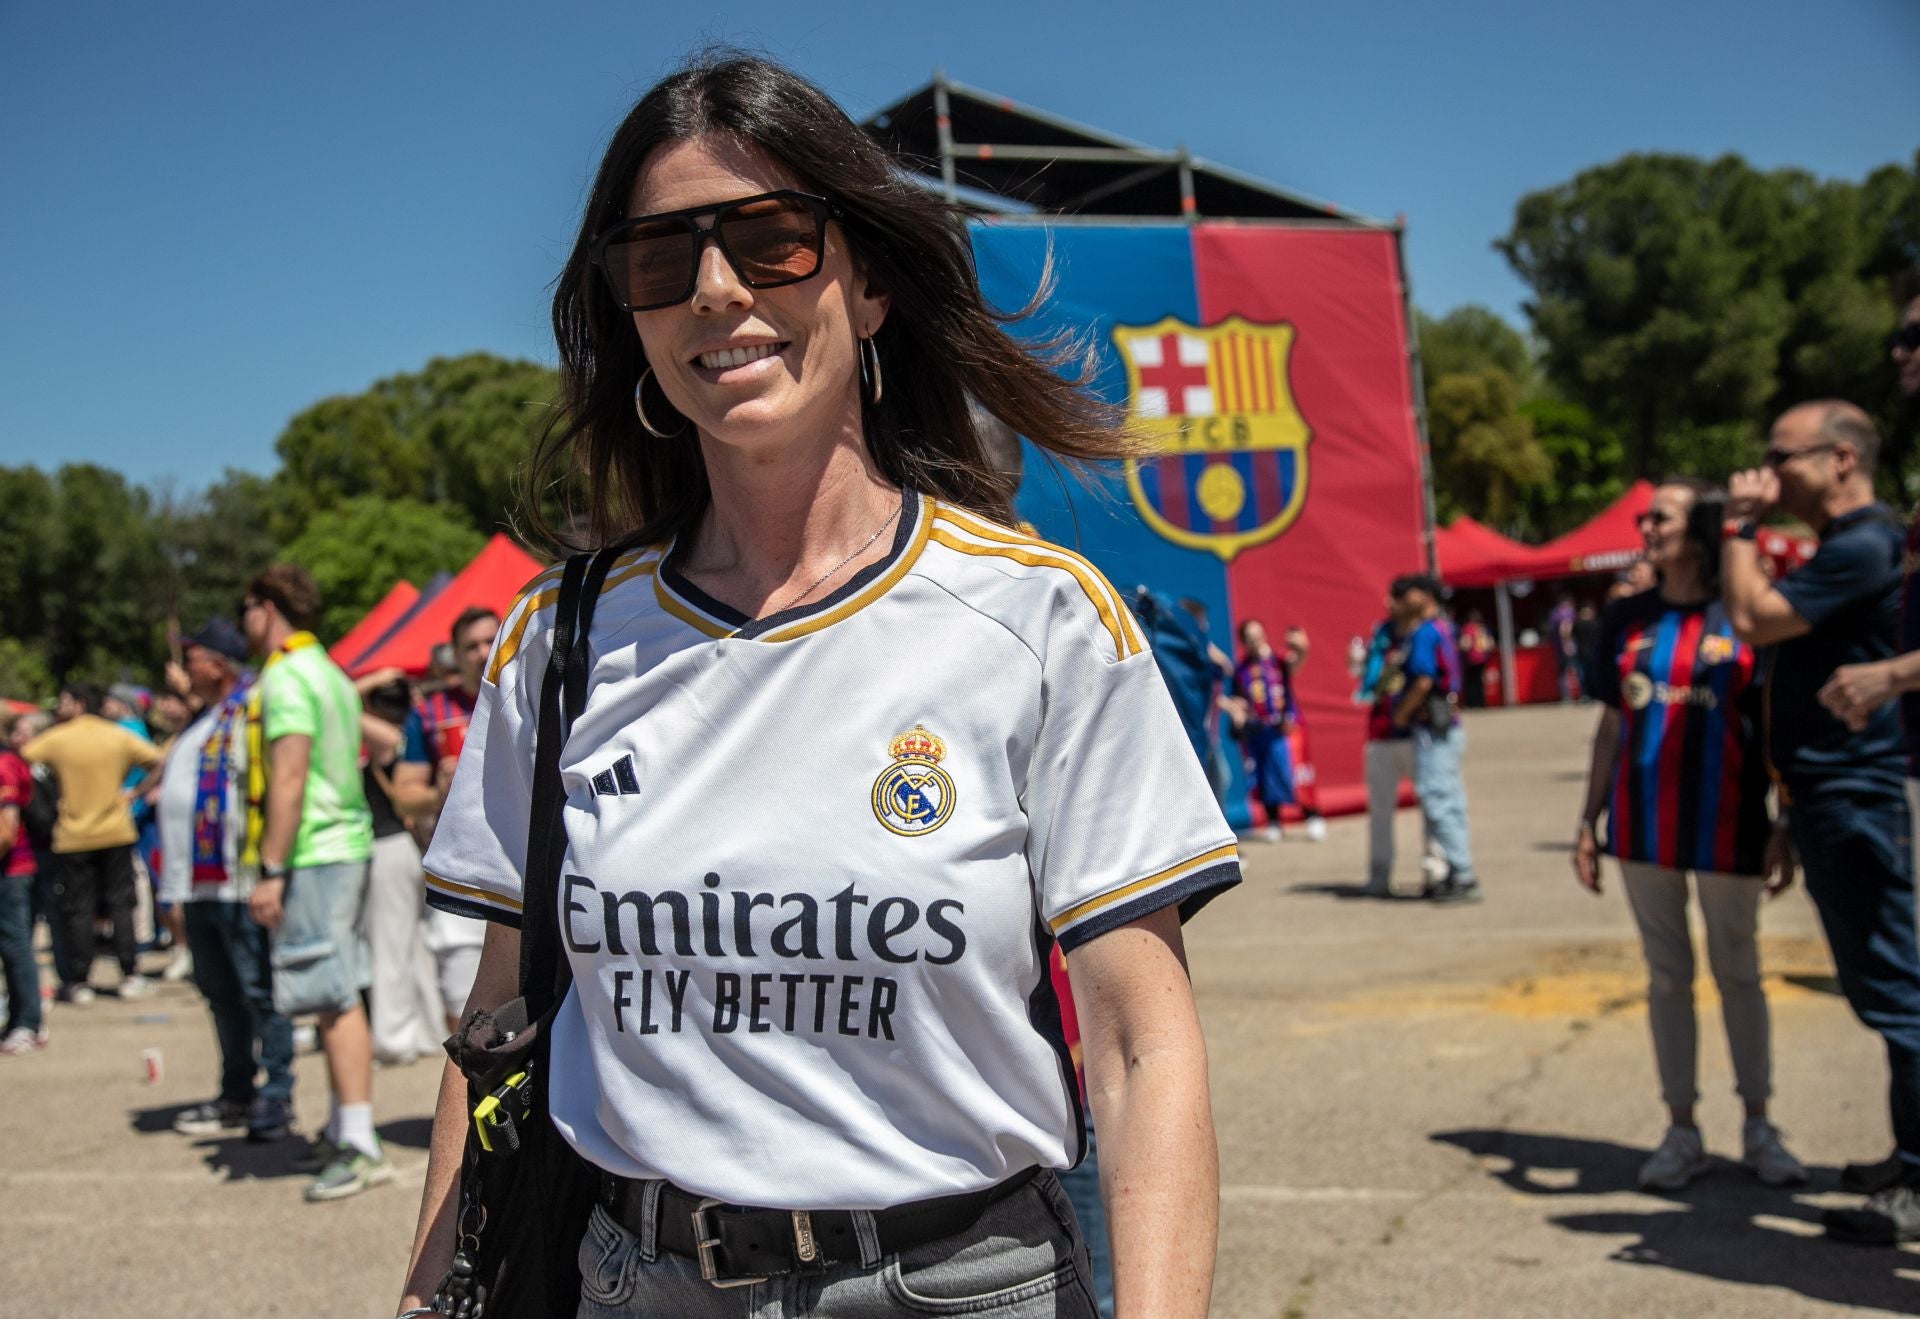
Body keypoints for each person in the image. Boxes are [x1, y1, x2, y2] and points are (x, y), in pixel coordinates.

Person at [399, 52, 1235, 1319]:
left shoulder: (1038, 618)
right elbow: (499, 1025)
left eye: (774, 238)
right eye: (662, 258)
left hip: (960, 1285)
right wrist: (425, 1299)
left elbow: (1138, 1044)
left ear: (872, 280)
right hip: (632, 1284)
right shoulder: (556, 643)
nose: (718, 291)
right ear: (627, 310)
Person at [1721, 401, 1920, 1244]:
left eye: (1782, 456)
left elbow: (1753, 618)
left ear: (1841, 458)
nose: (1768, 471)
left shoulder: (1864, 541)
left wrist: (1737, 528)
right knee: (1885, 990)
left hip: (1852, 793)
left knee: (1899, 991)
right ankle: (1911, 1155)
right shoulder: (1855, 544)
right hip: (1826, 793)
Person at [1574, 479, 1805, 1192]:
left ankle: (1760, 1125)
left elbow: (1776, 721)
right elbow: (1612, 722)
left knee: (1739, 971)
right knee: (1667, 977)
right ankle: (1681, 1128)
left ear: (1699, 529)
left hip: (1731, 822)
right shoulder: (1627, 618)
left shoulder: (1743, 614)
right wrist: (1588, 820)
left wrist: (1787, 817)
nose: (1646, 525)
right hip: (1642, 827)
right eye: (1645, 516)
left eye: (1661, 516)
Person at [239, 565, 386, 1201]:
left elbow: (289, 776)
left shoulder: (288, 677)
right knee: (338, 991)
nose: (242, 620)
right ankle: (344, 1124)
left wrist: (271, 867)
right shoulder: (325, 670)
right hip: (341, 845)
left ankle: (357, 1140)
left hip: (316, 851)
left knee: (332, 998)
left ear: (266, 608)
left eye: (245, 607)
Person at [157, 620, 296, 1141]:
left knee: (259, 990)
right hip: (200, 884)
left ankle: (276, 1095)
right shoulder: (206, 718)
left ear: (217, 664)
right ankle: (236, 1092)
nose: (184, 667)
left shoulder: (253, 706)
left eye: (191, 657)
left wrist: (270, 869)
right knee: (220, 993)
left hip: (240, 878)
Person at [390, 607, 497, 1031]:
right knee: (464, 1008)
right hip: (460, 876)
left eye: (490, 640)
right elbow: (403, 797)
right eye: (470, 646)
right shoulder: (432, 712)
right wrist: (437, 791)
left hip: (532, 873)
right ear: (455, 654)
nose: (482, 652)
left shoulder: (535, 693)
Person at [23, 681, 163, 1002]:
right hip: (116, 829)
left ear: (79, 703)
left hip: (73, 835)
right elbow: (157, 761)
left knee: (78, 907)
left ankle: (80, 979)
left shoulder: (59, 738)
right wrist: (135, 794)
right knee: (120, 903)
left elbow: (22, 761)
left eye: (64, 701)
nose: (59, 707)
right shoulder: (116, 735)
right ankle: (129, 972)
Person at [359, 674, 448, 1064]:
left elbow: (342, 701)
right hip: (405, 850)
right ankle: (428, 1031)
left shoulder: (388, 736)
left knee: (391, 946)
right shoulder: (407, 733)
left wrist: (369, 683)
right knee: (414, 945)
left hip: (388, 849)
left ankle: (394, 1038)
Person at [1392, 577, 1478, 903]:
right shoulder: (1442, 627)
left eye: (1404, 593)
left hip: (1433, 726)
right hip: (1446, 724)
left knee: (1438, 799)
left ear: (1425, 596)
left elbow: (1424, 680)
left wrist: (1402, 713)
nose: (1398, 599)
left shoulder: (1426, 632)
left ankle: (1463, 873)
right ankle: (1461, 870)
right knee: (1451, 800)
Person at [1234, 620, 1325, 843]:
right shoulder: (1242, 670)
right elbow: (1239, 699)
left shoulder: (1277, 660)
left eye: (1258, 634)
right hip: (1260, 733)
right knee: (1266, 777)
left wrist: (1302, 646)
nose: (1255, 640)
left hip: (1287, 729)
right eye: (1249, 636)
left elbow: (1297, 660)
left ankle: (1312, 817)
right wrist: (1238, 713)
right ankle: (1273, 821)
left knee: (1298, 774)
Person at [0, 711, 46, 1054]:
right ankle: (20, 1019)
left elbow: (7, 829)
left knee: (15, 944)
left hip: (11, 870)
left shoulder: (4, 766)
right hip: (14, 868)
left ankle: (27, 1022)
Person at [1456, 610, 1493, 708]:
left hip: (1470, 659)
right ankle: (1480, 702)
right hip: (1482, 659)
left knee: (1470, 683)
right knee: (1479, 682)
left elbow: (1465, 644)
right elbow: (1489, 644)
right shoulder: (1483, 628)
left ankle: (1471, 703)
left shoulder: (1467, 629)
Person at [1549, 593, 1578, 702]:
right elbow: (1564, 630)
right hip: (1566, 646)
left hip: (1558, 647)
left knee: (1562, 673)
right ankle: (1578, 695)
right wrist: (1567, 643)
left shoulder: (1554, 613)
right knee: (1574, 670)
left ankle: (1565, 696)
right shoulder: (1566, 612)